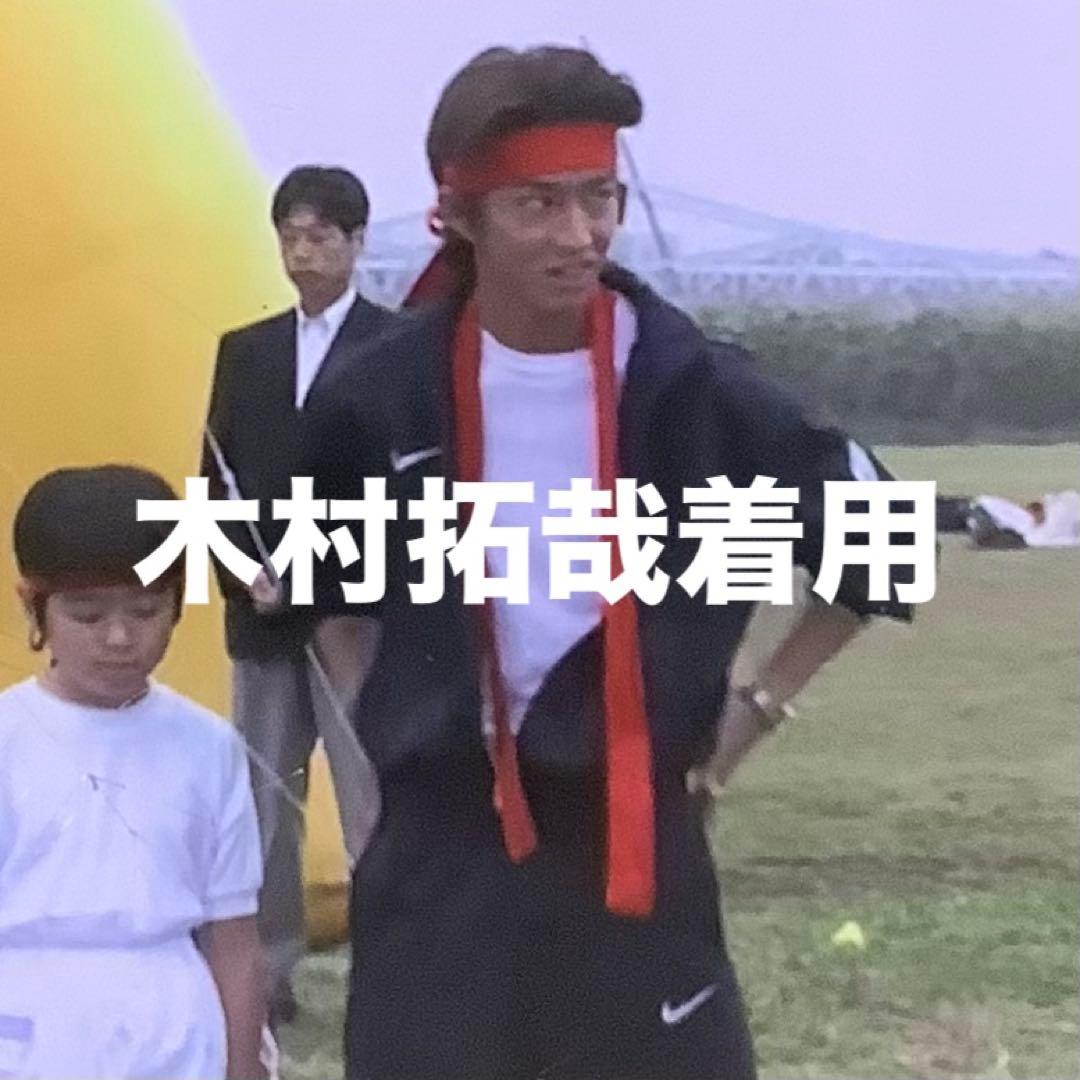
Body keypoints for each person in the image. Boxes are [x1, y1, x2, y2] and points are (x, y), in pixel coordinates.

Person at [304, 46, 912, 1080]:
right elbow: (322, 581)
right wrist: (392, 718)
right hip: (440, 852)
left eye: (599, 197)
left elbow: (882, 541)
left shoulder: (694, 386)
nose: (578, 234)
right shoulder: (381, 394)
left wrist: (751, 714)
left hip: (631, 842)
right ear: (460, 216)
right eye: (538, 204)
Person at [201, 165, 394, 1022]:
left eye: (320, 236)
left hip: (357, 618)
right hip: (263, 616)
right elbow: (215, 480)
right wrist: (244, 574)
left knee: (373, 799)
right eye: (290, 236)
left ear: (356, 242)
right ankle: (268, 973)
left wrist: (320, 580)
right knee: (265, 804)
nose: (303, 251)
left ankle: (392, 966)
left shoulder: (398, 348)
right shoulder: (245, 351)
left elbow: (405, 494)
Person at [0, 465, 265, 1078]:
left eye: (146, 611)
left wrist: (243, 1064)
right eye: (88, 617)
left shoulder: (207, 745)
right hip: (27, 1030)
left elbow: (235, 940)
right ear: (34, 606)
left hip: (174, 1031)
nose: (120, 638)